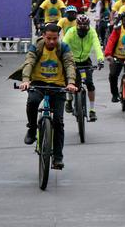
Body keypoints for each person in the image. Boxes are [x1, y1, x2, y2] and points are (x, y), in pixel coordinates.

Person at [12, 23, 77, 169]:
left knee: (59, 122)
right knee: (33, 101)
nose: (52, 42)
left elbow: (69, 65)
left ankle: (58, 158)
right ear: (43, 36)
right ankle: (31, 128)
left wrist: (71, 82)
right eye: (49, 38)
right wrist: (25, 80)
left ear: (58, 37)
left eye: (55, 38)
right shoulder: (36, 47)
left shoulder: (63, 48)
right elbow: (29, 62)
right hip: (38, 83)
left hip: (58, 85)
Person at [62, 15, 104, 122]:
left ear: (88, 27)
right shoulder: (71, 32)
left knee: (89, 83)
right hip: (72, 61)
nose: (82, 30)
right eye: (80, 27)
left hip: (85, 61)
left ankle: (92, 110)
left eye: (85, 27)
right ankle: (69, 99)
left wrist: (100, 59)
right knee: (70, 82)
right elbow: (63, 45)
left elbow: (97, 46)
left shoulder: (92, 32)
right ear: (76, 26)